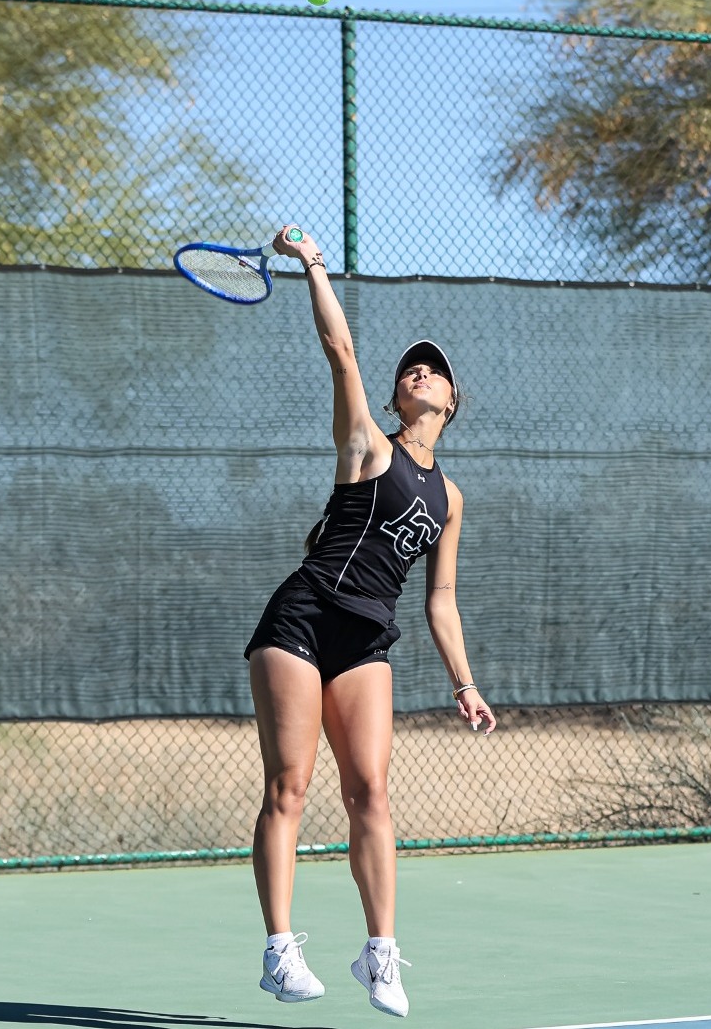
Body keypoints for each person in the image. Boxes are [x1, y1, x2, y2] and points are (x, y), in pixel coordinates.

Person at [243, 225, 496, 1018]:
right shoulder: (366, 447)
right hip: (302, 617)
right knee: (289, 786)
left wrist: (465, 682)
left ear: (452, 401)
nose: (422, 372)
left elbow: (440, 600)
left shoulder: (450, 499)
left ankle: (380, 955)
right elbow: (341, 352)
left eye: (437, 370)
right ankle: (279, 951)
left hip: (366, 639)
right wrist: (314, 265)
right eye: (411, 369)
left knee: (372, 796)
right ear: (396, 399)